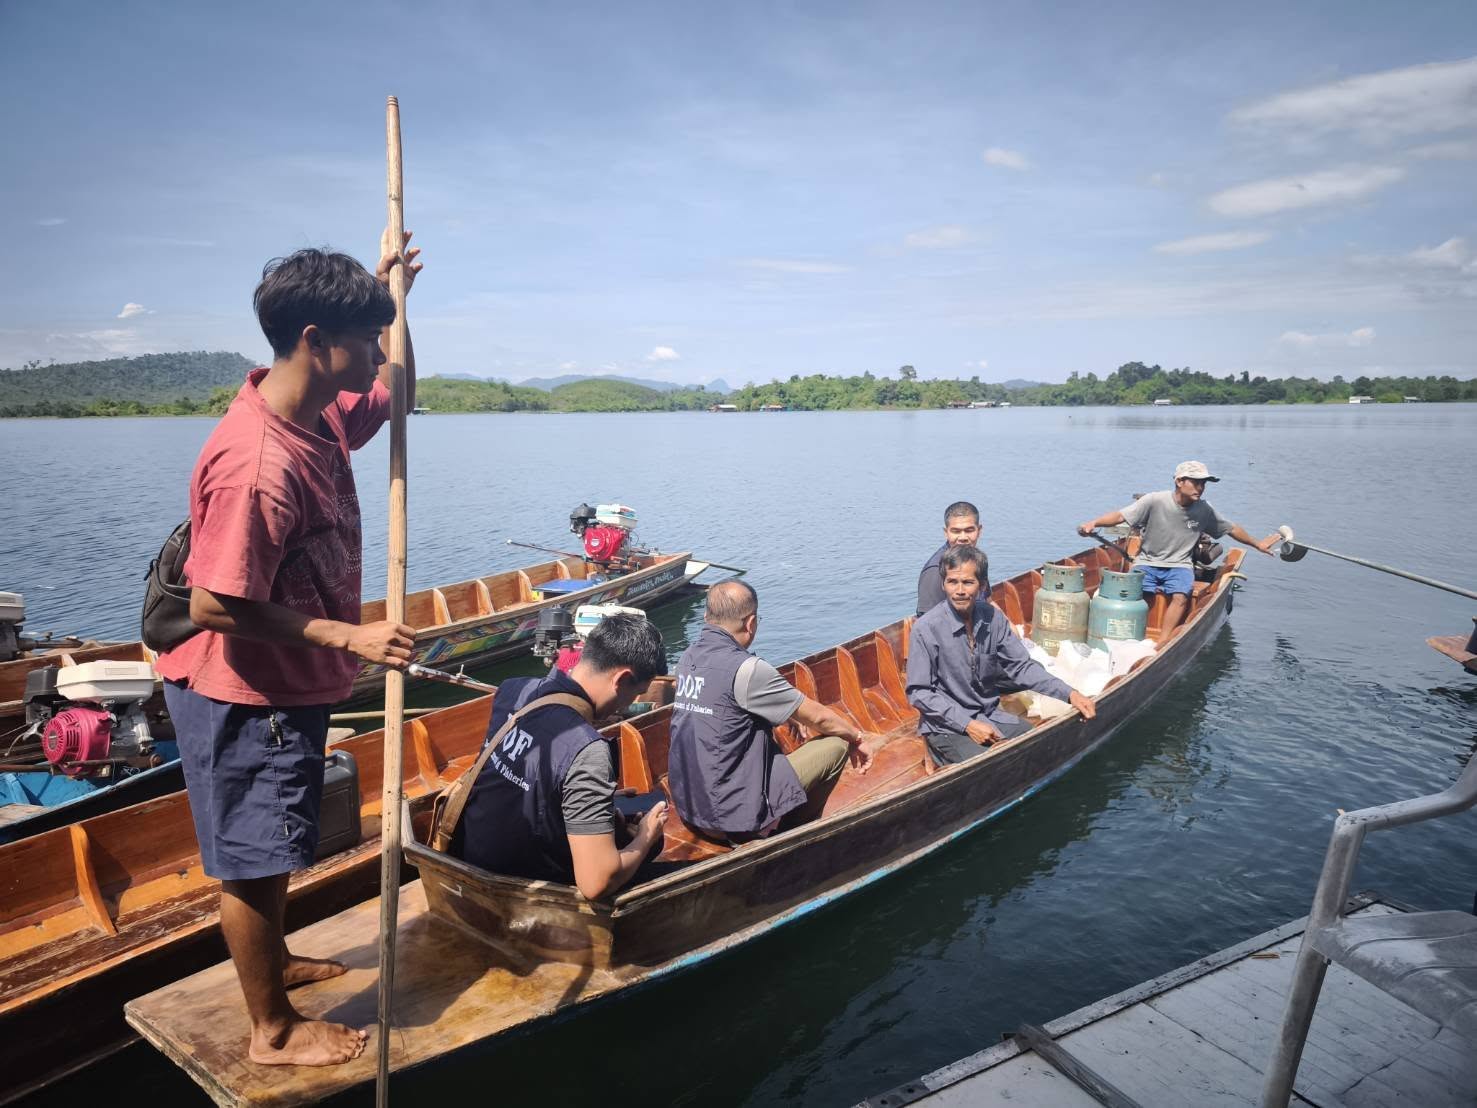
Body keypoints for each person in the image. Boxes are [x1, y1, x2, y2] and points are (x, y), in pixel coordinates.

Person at [155, 233, 422, 1068]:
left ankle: (276, 960)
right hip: (244, 692)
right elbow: (214, 602)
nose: (378, 352)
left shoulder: (317, 410)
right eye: (366, 336)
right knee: (251, 855)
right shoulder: (258, 462)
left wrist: (394, 296)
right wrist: (351, 635)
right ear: (314, 339)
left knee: (276, 843)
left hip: (289, 681)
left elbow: (398, 392)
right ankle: (271, 1031)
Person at [452, 613, 670, 899]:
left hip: (471, 860)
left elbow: (535, 782)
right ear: (622, 679)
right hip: (521, 894)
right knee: (655, 855)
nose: (627, 706)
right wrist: (646, 835)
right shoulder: (586, 749)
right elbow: (596, 884)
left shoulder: (514, 690)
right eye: (635, 694)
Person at [667, 580, 886, 842]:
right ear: (751, 623)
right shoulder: (747, 669)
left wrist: (789, 713)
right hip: (733, 818)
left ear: (707, 618)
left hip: (691, 809)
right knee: (837, 744)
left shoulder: (687, 658)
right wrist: (856, 737)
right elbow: (819, 717)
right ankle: (791, 831)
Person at [907, 545, 1097, 766]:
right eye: (952, 582)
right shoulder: (925, 629)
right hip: (946, 725)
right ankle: (936, 753)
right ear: (943, 584)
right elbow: (919, 692)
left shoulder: (992, 618)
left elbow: (1022, 667)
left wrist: (1070, 694)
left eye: (968, 582)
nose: (959, 590)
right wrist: (968, 725)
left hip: (988, 714)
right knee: (991, 765)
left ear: (983, 585)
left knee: (1035, 743)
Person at [1077, 460, 1279, 639]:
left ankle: (1163, 642)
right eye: (1195, 482)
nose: (1200, 488)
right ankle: (1133, 635)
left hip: (1179, 565)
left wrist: (1258, 544)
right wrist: (1094, 523)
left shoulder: (1204, 509)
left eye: (1203, 484)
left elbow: (1232, 529)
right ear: (1179, 481)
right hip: (1147, 561)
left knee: (1181, 596)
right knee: (1133, 594)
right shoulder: (1154, 500)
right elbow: (1121, 516)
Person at [917, 501, 982, 616]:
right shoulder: (935, 571)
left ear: (979, 531)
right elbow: (927, 624)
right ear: (946, 533)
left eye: (969, 530)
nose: (963, 537)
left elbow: (988, 600)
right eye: (956, 531)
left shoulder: (975, 559)